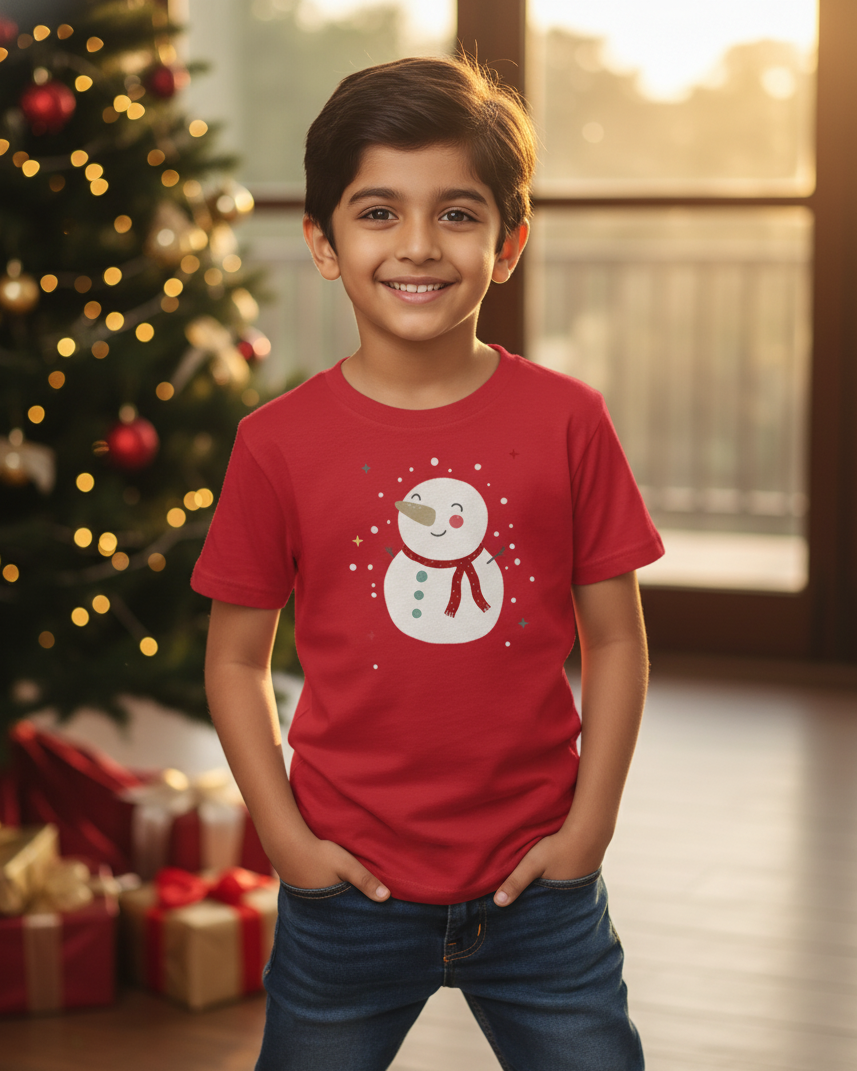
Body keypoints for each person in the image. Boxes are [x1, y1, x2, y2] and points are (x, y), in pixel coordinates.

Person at [192, 55, 664, 1071]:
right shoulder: (273, 444)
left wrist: (587, 830)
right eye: (377, 212)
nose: (417, 245)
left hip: (541, 891)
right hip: (344, 894)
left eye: (456, 213)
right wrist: (286, 844)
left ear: (508, 244)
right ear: (321, 242)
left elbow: (617, 638)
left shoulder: (569, 421)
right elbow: (233, 662)